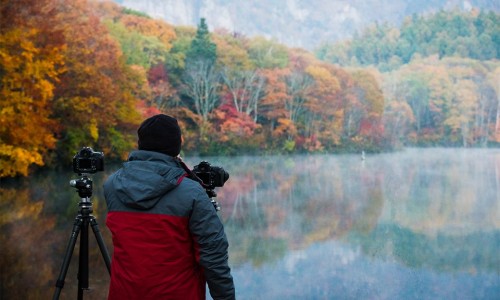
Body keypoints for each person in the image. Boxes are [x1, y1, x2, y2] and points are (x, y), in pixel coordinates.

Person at [103, 114, 235, 300]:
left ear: (140, 143)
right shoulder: (192, 193)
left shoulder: (112, 185)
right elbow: (214, 257)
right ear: (176, 146)